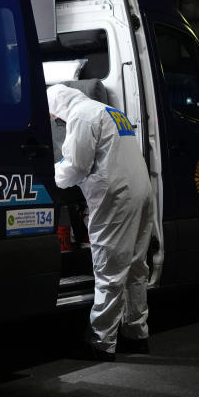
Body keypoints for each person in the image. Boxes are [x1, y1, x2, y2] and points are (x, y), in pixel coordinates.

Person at [47, 83, 156, 361]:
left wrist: (49, 173)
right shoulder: (109, 111)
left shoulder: (81, 116)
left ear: (58, 106)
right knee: (135, 267)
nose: (56, 121)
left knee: (109, 269)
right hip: (141, 192)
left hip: (116, 198)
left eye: (54, 116)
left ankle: (100, 342)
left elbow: (76, 167)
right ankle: (136, 334)